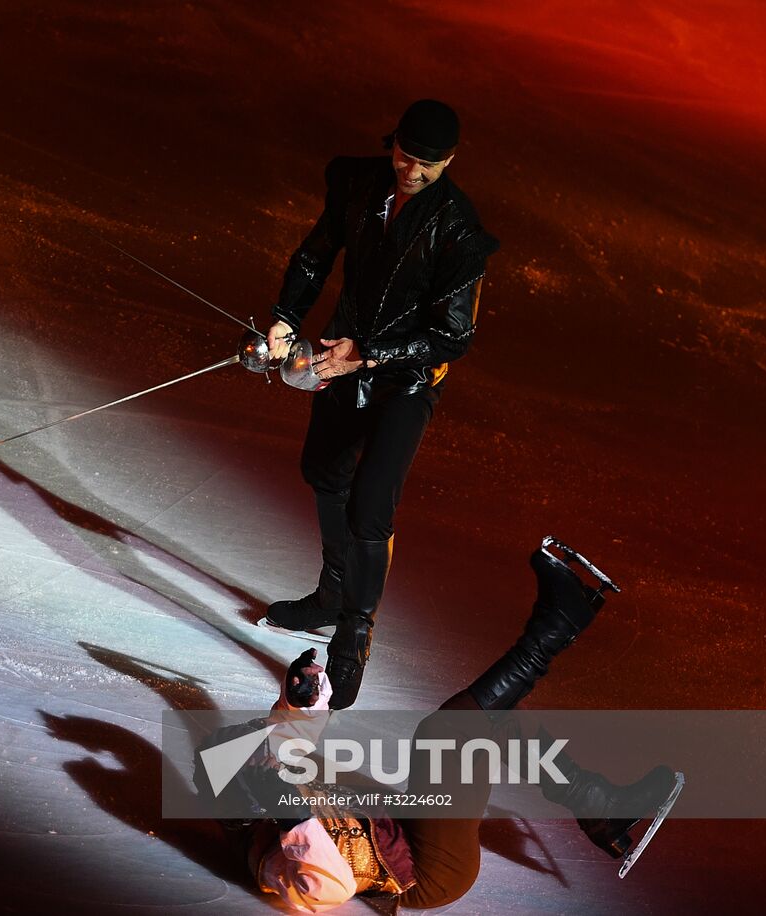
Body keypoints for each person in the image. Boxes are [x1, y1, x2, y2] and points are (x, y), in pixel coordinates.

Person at [226, 537, 679, 911]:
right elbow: (328, 888)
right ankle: (555, 628)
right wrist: (292, 816)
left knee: (487, 723)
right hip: (428, 871)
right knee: (449, 733)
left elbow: (287, 742)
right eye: (258, 764)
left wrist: (299, 695)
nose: (268, 761)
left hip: (403, 825)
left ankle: (600, 808)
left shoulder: (263, 786)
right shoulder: (266, 859)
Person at [261, 99, 500, 709]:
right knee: (323, 470)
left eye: (428, 165)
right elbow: (317, 254)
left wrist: (366, 353)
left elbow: (454, 335)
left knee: (371, 506)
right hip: (350, 354)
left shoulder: (459, 230)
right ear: (391, 143)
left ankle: (353, 632)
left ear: (449, 161)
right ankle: (331, 592)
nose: (412, 172)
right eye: (405, 157)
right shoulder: (358, 183)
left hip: (409, 378)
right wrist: (286, 318)